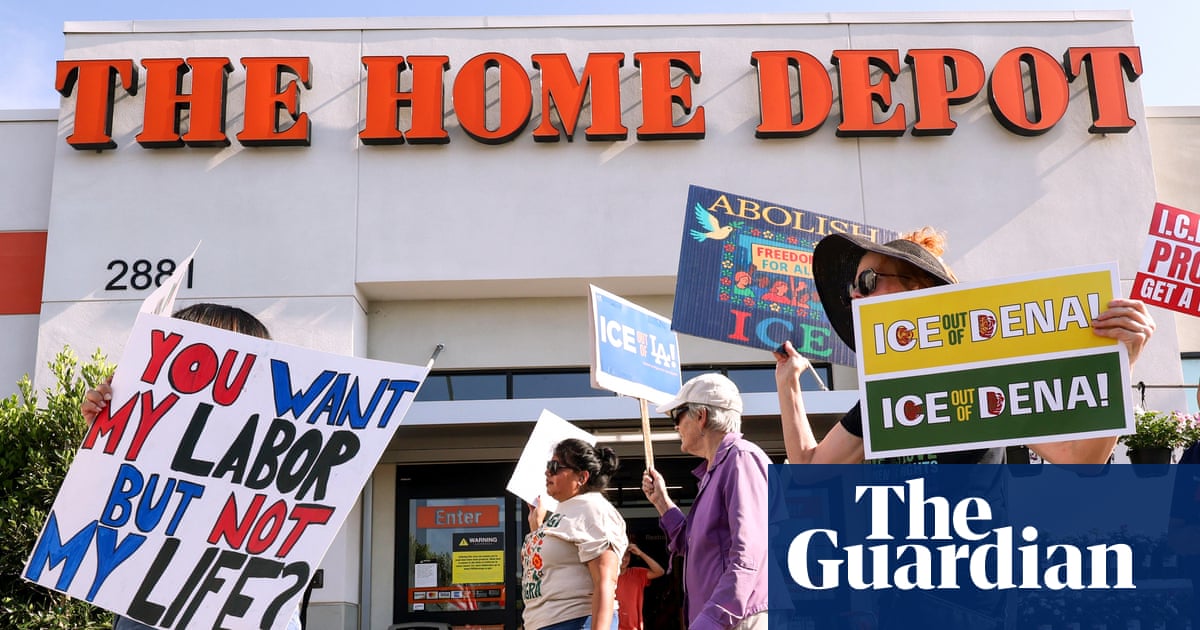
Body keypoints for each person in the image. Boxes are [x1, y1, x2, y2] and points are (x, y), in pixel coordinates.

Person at [774, 227, 1157, 465]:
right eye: (853, 288)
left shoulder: (982, 370)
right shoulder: (886, 391)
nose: (856, 294)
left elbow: (1080, 461)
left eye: (869, 281)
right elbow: (811, 470)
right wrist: (788, 382)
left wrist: (1121, 362)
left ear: (917, 286)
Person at [81, 303, 304, 630]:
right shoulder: (153, 443)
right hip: (146, 610)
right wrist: (107, 432)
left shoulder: (276, 459)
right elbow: (95, 518)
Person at [640, 373, 770, 629]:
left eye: (677, 416)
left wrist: (712, 620)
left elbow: (749, 555)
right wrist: (662, 503)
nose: (675, 426)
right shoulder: (720, 468)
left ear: (701, 417)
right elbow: (694, 543)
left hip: (737, 619)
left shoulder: (740, 459)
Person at [522, 438, 628, 630]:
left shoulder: (593, 508)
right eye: (548, 465)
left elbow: (605, 581)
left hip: (576, 622)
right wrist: (537, 527)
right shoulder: (564, 511)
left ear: (582, 477)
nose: (547, 472)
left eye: (555, 466)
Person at [614, 542, 665, 630]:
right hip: (613, 626)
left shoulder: (637, 573)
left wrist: (640, 553)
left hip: (633, 627)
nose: (624, 559)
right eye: (621, 555)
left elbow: (660, 571)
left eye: (627, 555)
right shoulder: (607, 576)